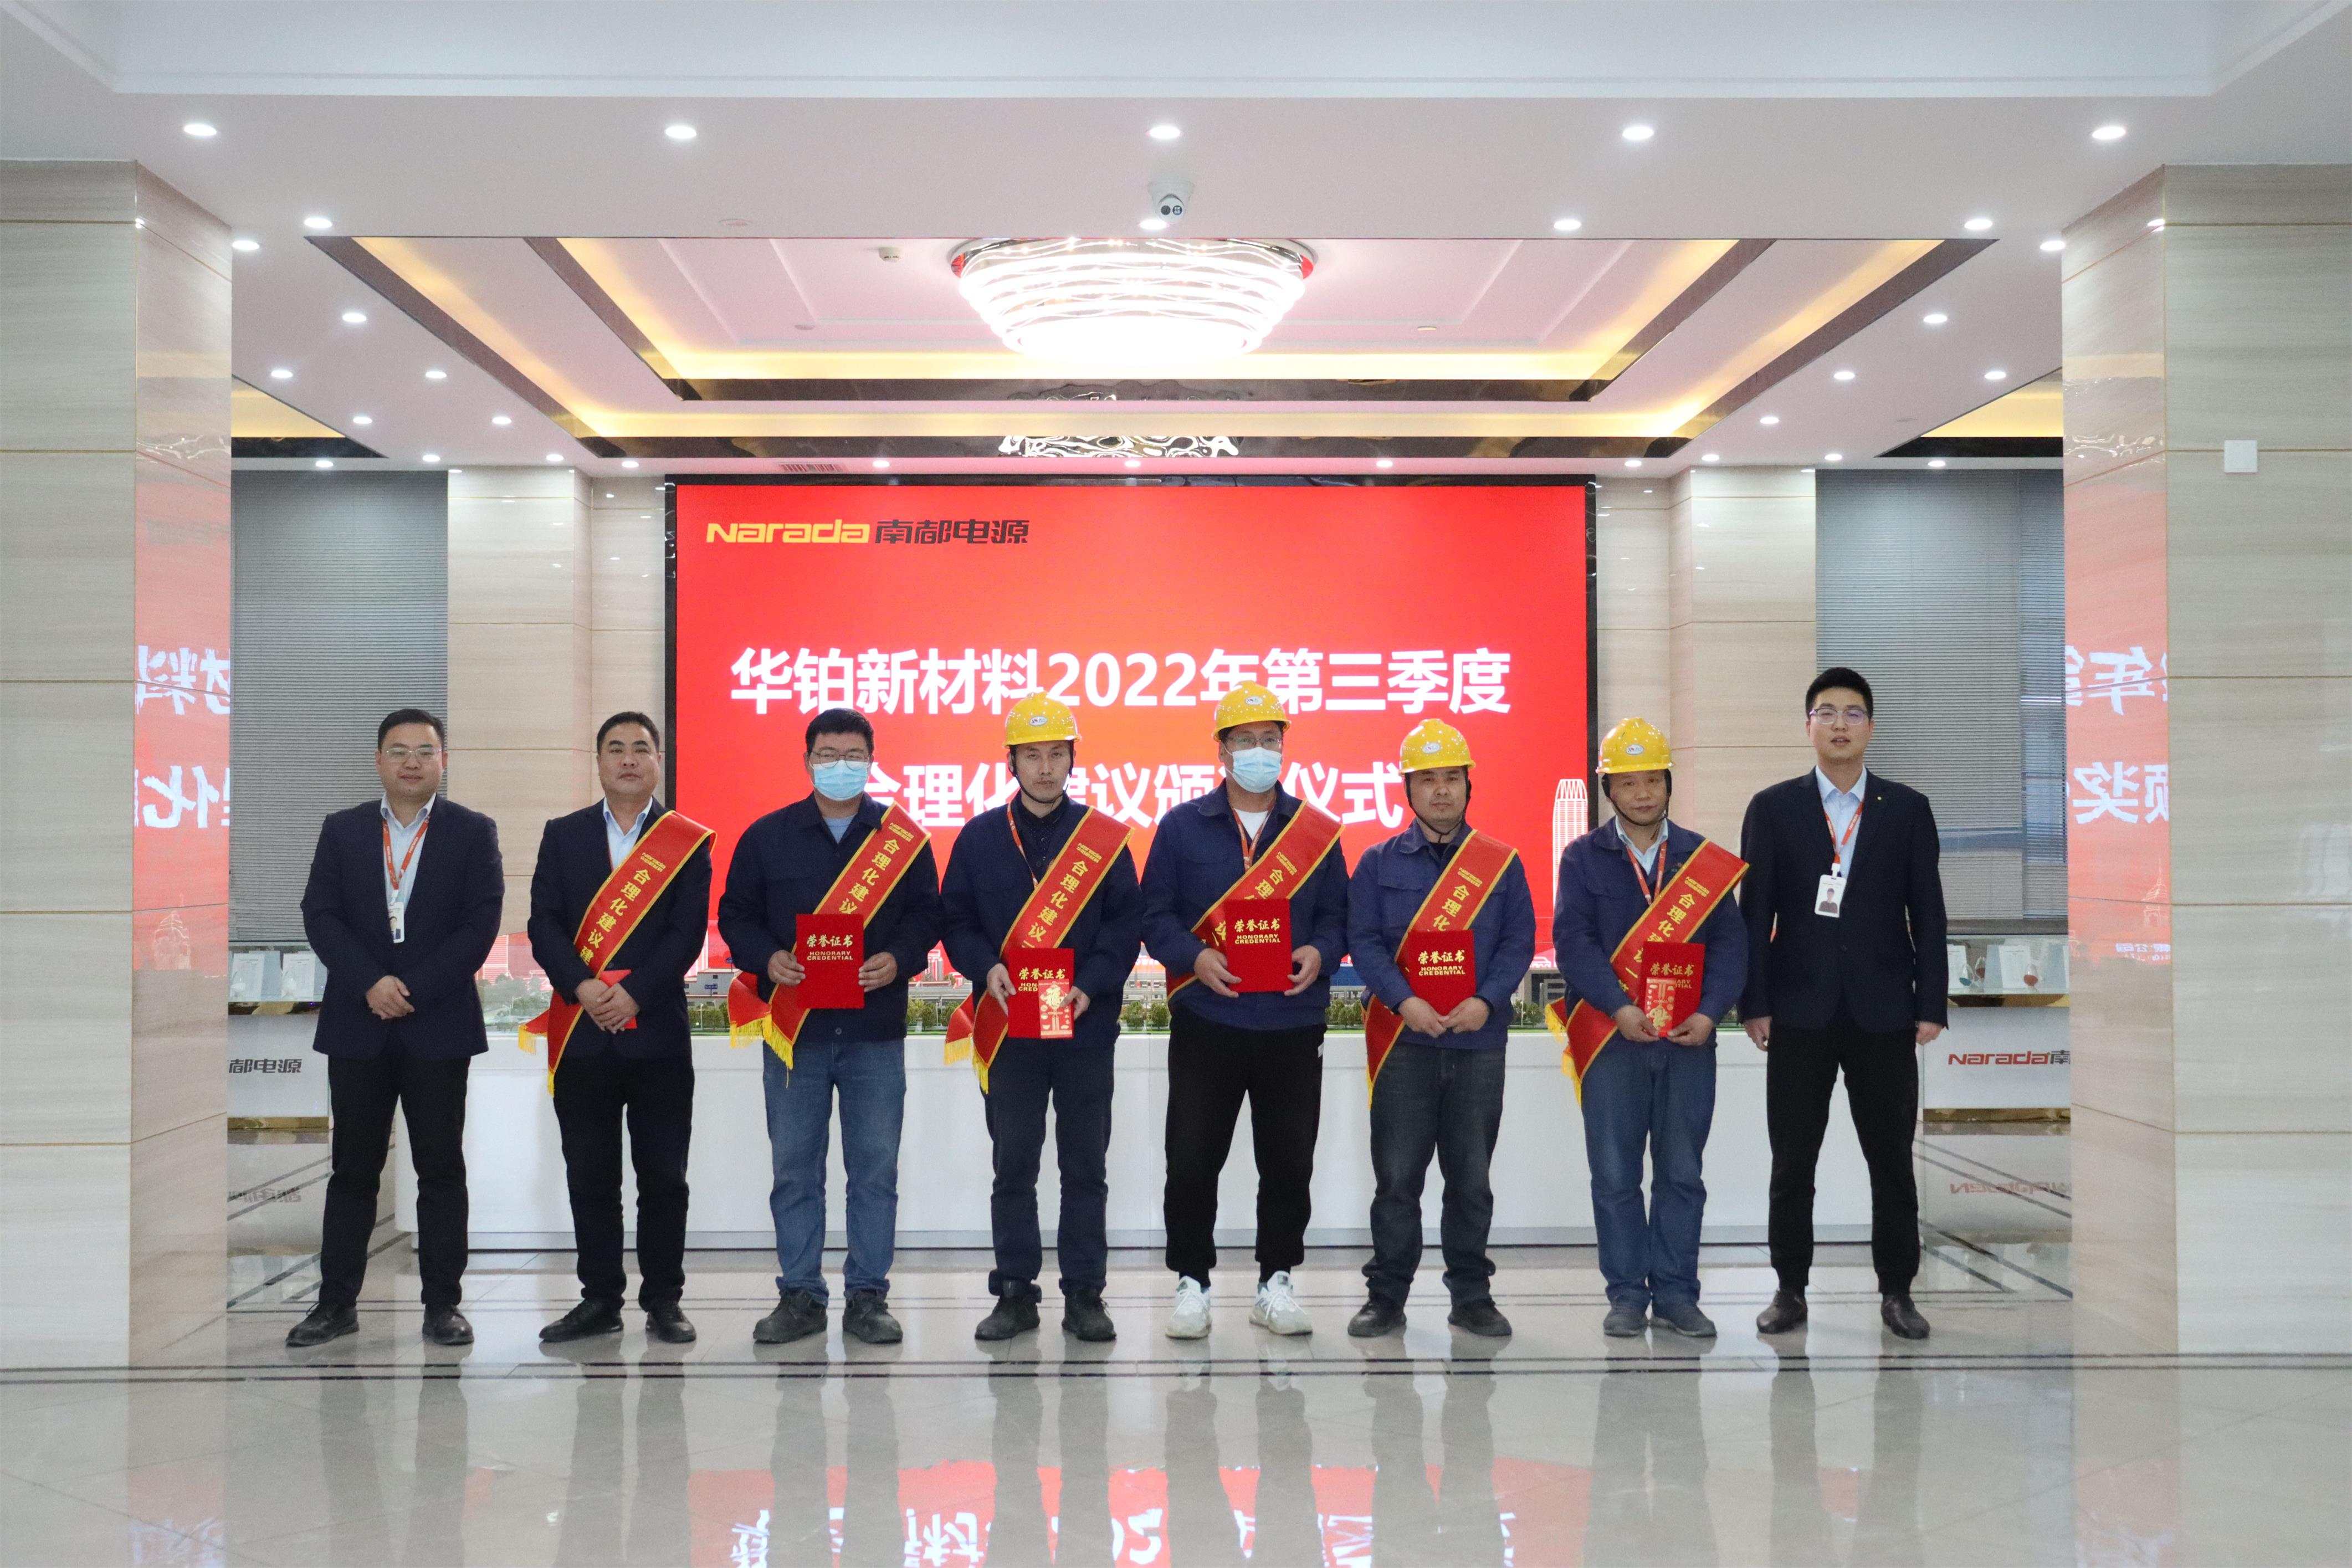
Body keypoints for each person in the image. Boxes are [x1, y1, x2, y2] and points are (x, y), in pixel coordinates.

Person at [717, 706, 941, 1346]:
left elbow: (928, 916)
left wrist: (899, 957)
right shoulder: (767, 837)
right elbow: (735, 916)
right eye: (828, 755)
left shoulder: (903, 840)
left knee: (874, 1171)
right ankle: (800, 1294)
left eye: (853, 755)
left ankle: (868, 1296)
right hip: (796, 1034)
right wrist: (768, 958)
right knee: (795, 1170)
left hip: (874, 1031)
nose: (840, 765)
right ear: (807, 760)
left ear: (872, 762)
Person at [1739, 668, 1948, 1341]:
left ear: (1871, 727)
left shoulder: (1906, 808)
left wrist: (1930, 1001)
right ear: (1808, 726)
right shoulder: (1772, 808)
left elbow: (1929, 912)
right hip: (1797, 1012)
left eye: (1853, 713)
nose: (1839, 724)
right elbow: (1755, 915)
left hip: (1884, 1012)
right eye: (1825, 712)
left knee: (1891, 1163)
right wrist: (1755, 1003)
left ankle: (1898, 1291)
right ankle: (1789, 1288)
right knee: (1792, 1162)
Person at [286, 708, 505, 1349]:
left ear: (444, 761)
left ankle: (443, 1306)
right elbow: (320, 913)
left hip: (438, 1024)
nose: (412, 762)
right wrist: (370, 982)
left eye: (425, 751)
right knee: (352, 1171)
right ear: (379, 760)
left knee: (440, 1170)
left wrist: (413, 989)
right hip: (360, 1022)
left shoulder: (472, 831)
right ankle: (335, 1304)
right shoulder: (344, 829)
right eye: (399, 750)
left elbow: (480, 923)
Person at [1140, 681, 1349, 1340]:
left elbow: (1338, 917)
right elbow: (1155, 916)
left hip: (1292, 1021)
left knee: (1288, 1160)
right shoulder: (1181, 827)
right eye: (1245, 740)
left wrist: (1320, 950)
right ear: (1222, 751)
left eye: (1269, 740)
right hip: (1209, 1018)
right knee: (1192, 1157)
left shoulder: (1314, 832)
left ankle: (1275, 1282)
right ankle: (1191, 1282)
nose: (1259, 751)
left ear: (1283, 747)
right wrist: (1195, 956)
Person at [940, 694, 1143, 1344]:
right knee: (1014, 1165)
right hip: (1009, 1027)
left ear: (1073, 759)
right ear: (1012, 762)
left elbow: (1126, 925)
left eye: (1057, 753)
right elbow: (956, 920)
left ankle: (1085, 1293)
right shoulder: (979, 839)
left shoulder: (1103, 840)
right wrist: (986, 966)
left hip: (1084, 1026)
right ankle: (1014, 1291)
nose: (1046, 767)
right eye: (1033, 755)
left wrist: (1091, 984)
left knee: (1085, 1167)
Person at [1551, 717, 1747, 1339]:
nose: (1642, 794)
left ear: (1668, 783)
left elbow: (1730, 945)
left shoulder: (1699, 859)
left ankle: (1678, 1294)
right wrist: (1617, 1006)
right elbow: (1573, 942)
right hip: (1613, 1039)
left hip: (1688, 1039)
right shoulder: (1582, 858)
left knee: (1681, 1173)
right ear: (1608, 789)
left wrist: (1709, 1012)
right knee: (1614, 1174)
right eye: (1628, 782)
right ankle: (1626, 1296)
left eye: (1652, 781)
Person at [524, 711, 714, 1346]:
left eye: (640, 748)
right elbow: (544, 924)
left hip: (657, 1033)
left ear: (659, 761)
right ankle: (599, 1298)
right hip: (582, 1033)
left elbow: (685, 933)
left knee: (664, 1177)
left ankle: (664, 1300)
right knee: (591, 1175)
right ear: (599, 761)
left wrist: (633, 993)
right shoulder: (564, 835)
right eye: (616, 748)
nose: (628, 759)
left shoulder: (684, 840)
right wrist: (583, 987)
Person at [1344, 718, 1535, 1339]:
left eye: (1452, 777)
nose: (1442, 790)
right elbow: (1363, 941)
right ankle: (1387, 1296)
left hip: (1478, 1041)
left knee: (1471, 1180)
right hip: (1405, 1042)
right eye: (1427, 779)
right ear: (1408, 789)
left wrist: (1487, 998)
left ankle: (1472, 1296)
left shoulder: (1500, 864)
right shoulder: (1376, 863)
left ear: (1469, 784)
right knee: (1397, 1180)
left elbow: (1518, 941)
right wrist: (1403, 1001)